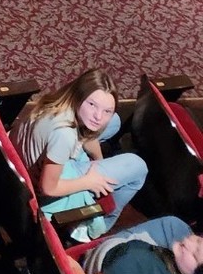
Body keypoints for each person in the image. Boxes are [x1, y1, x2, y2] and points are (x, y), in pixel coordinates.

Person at [10, 68, 148, 241]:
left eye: (107, 110)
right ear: (79, 96)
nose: (98, 116)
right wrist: (88, 181)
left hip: (33, 159)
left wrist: (99, 161)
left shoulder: (58, 103)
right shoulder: (64, 135)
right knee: (138, 167)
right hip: (46, 185)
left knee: (114, 122)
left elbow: (89, 129)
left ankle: (101, 162)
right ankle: (100, 224)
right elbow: (48, 188)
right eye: (92, 104)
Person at [74, 216, 203, 274]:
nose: (189, 241)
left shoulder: (141, 266)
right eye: (199, 240)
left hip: (103, 264)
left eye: (194, 254)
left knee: (171, 224)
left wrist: (71, 265)